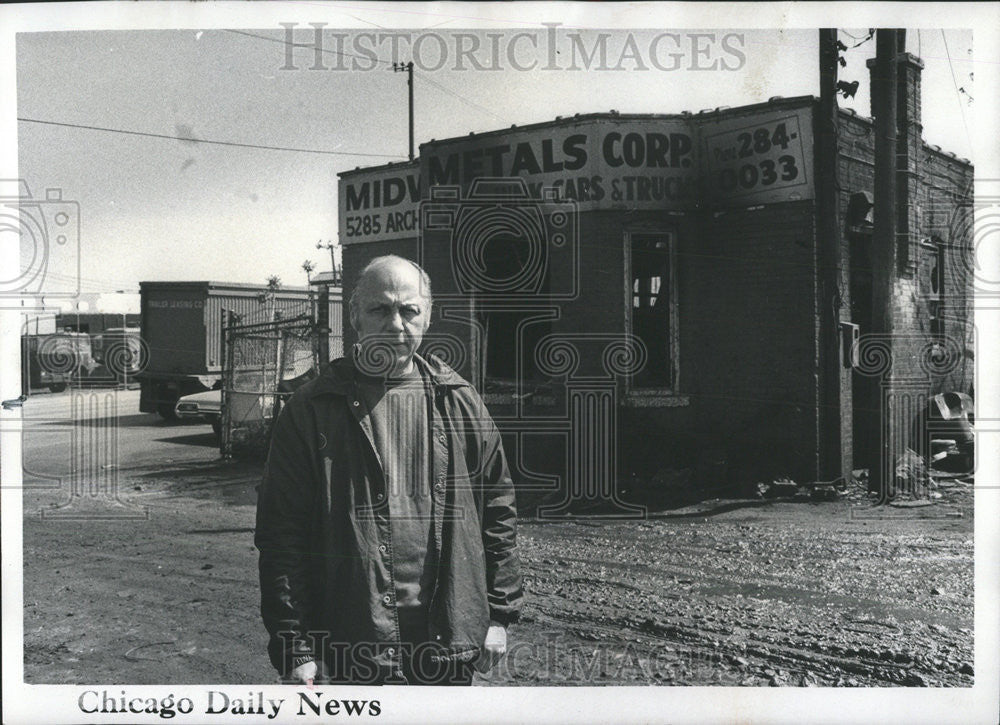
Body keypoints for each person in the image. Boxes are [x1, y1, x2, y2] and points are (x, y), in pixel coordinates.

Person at [255, 255, 523, 685]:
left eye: (409, 310)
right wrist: (295, 645)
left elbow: (498, 508)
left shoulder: (459, 400)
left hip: (446, 642)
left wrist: (500, 613)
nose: (395, 323)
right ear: (356, 315)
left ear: (428, 317)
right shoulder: (310, 410)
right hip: (350, 645)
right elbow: (281, 534)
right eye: (380, 309)